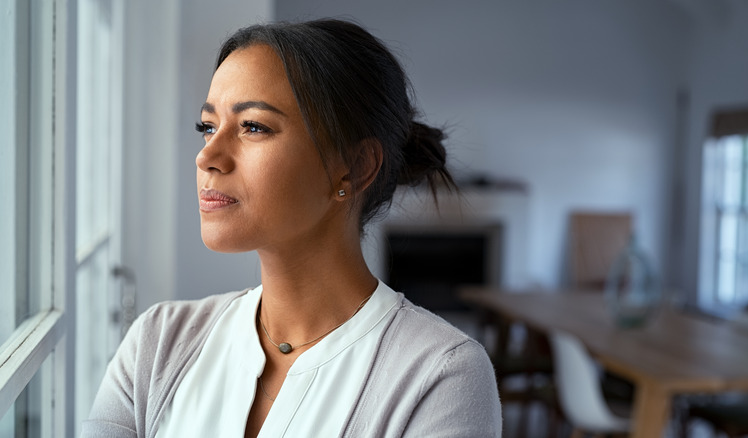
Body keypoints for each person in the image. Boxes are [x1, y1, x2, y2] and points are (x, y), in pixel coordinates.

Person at [82, 18, 501, 438]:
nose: (208, 155)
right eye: (208, 127)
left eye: (254, 127)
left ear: (353, 169)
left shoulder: (442, 377)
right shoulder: (157, 344)